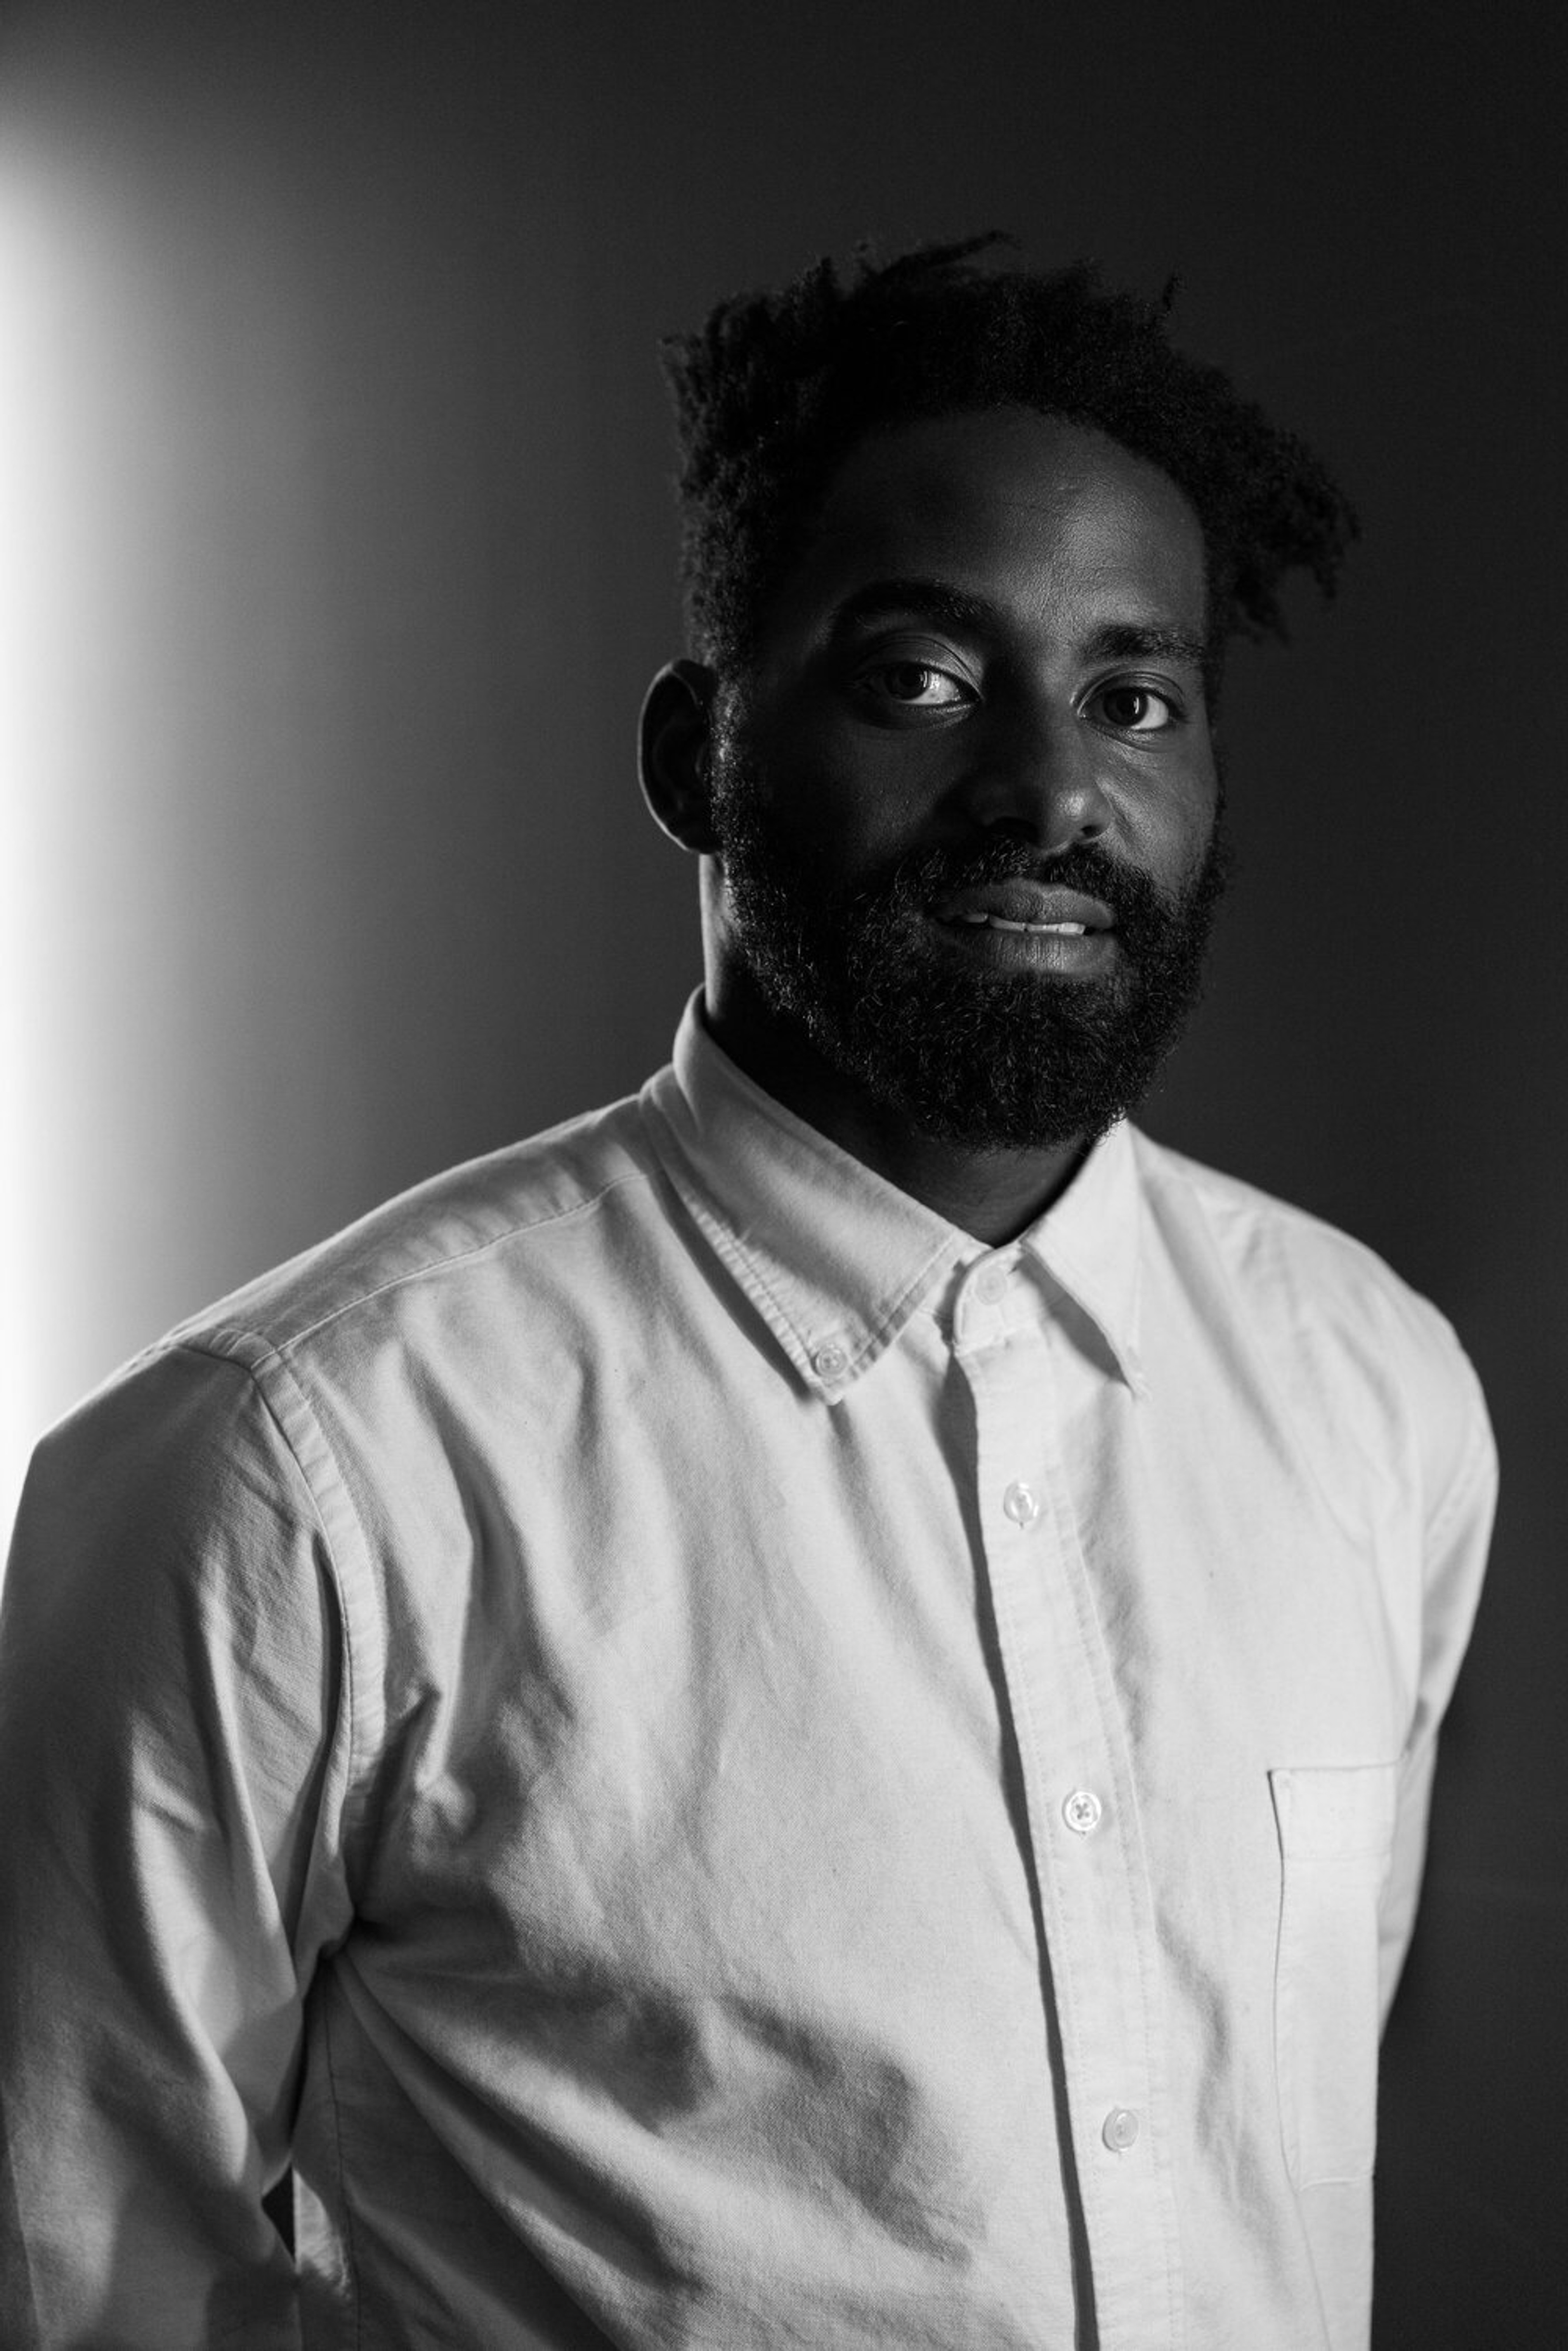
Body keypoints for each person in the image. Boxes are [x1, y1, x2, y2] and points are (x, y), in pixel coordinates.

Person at [0, 236, 1495, 2351]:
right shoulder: (291, 1472)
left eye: (1133, 698)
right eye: (922, 678)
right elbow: (76, 2277)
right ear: (698, 752)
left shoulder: (1375, 1390)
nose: (1053, 790)